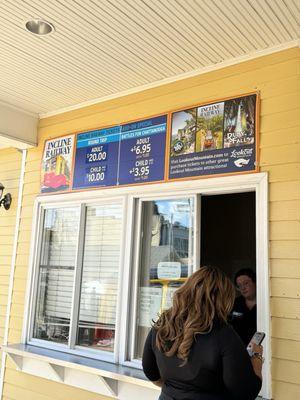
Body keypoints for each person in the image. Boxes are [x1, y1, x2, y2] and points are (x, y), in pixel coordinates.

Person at [142, 266, 263, 400]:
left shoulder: (163, 323)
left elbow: (150, 372)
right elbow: (245, 393)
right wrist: (257, 357)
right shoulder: (223, 333)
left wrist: (177, 390)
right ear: (222, 298)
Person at [231, 268, 257, 345]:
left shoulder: (264, 304)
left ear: (255, 282)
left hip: (259, 351)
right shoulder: (234, 304)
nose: (243, 288)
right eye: (239, 285)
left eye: (246, 283)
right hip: (238, 348)